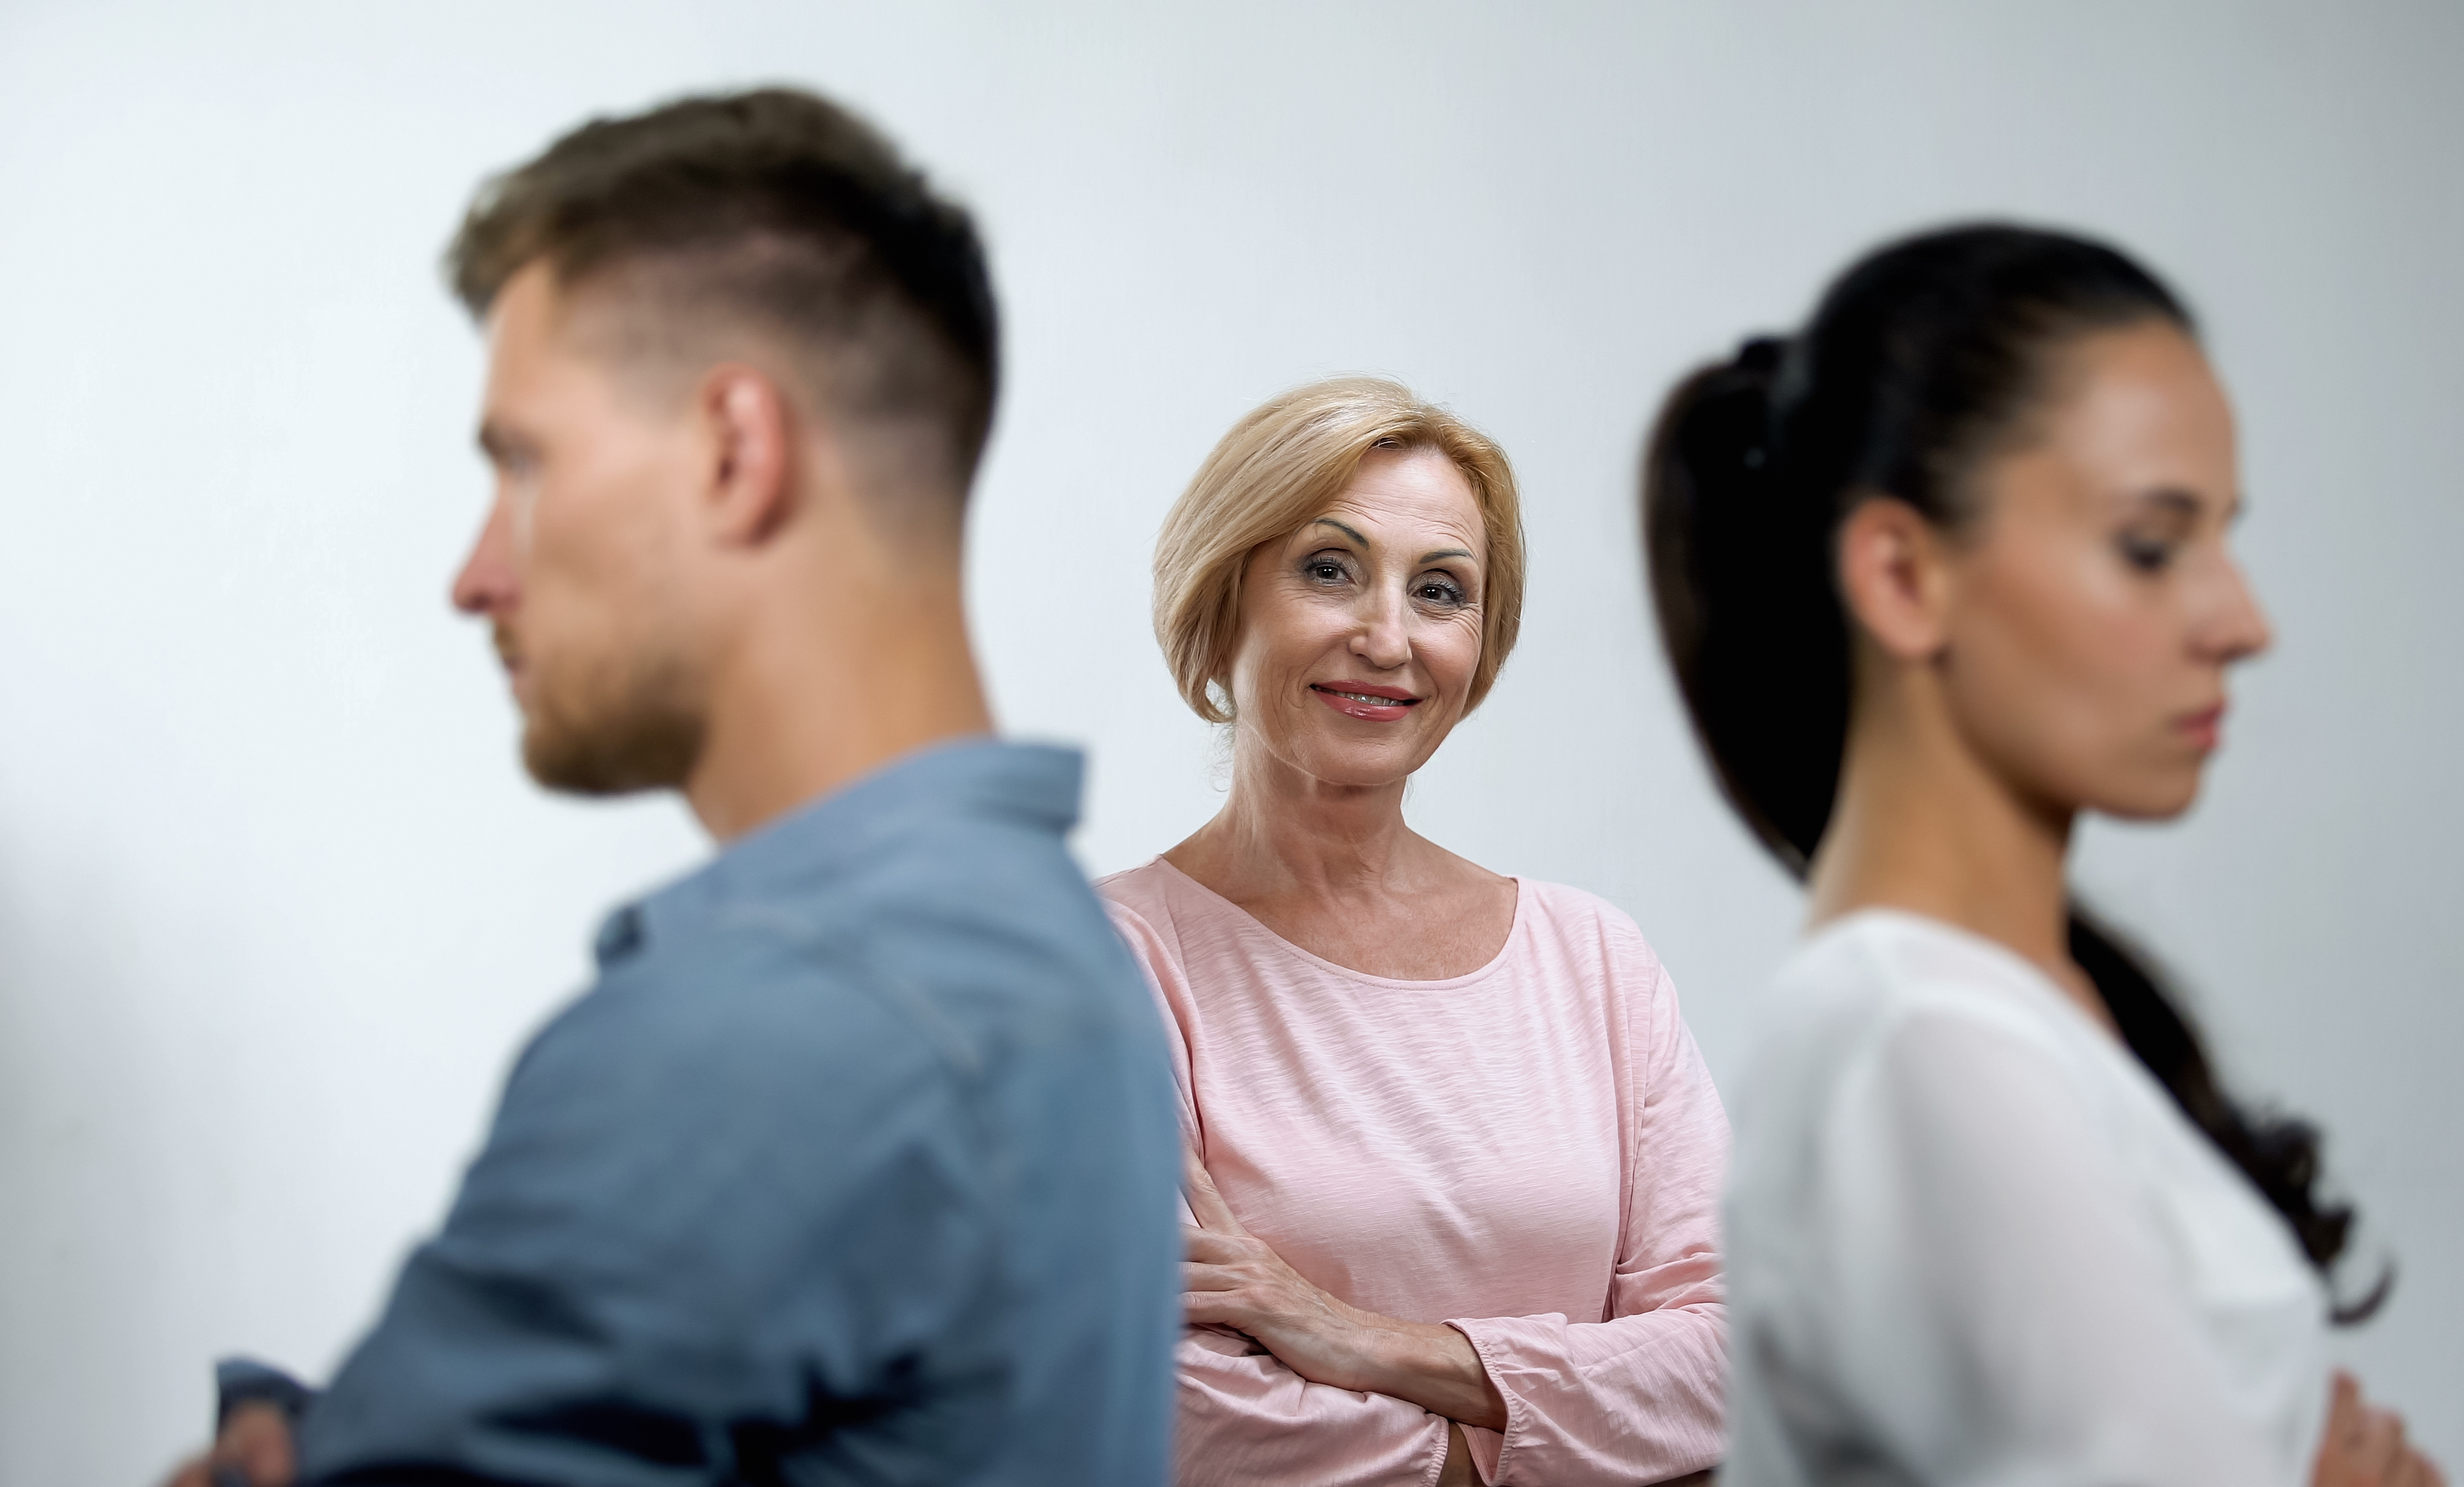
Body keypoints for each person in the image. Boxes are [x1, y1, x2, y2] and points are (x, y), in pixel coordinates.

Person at [161, 88, 1176, 1487]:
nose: (476, 576)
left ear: (733, 453)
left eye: (524, 464)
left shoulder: (781, 1022)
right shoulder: (1057, 954)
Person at [1644, 224, 2444, 1487]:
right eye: (2152, 546)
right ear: (1904, 576)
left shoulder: (1994, 1014)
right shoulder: (1919, 1046)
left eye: (2224, 537)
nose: (2244, 622)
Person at [1102, 376, 1731, 1487]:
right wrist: (1572, 1441)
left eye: (1441, 591)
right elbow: (1170, 1406)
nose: (1388, 639)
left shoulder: (1594, 961)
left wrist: (1358, 1339)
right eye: (1329, 569)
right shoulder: (1105, 965)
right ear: (1221, 599)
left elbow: (1736, 1362)